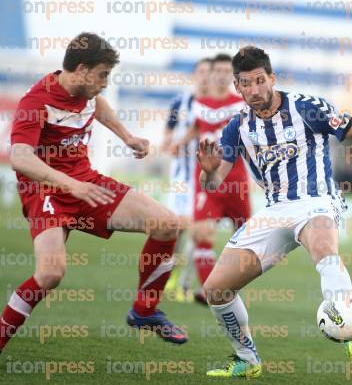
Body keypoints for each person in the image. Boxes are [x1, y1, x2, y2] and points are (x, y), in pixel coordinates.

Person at [197, 46, 352, 378]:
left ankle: (351, 329)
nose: (254, 90)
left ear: (272, 78)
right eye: (246, 84)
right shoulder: (237, 127)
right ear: (237, 87)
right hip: (276, 210)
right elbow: (214, 184)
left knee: (324, 248)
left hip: (317, 200)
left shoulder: (307, 107)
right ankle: (246, 360)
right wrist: (208, 172)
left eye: (260, 81)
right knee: (216, 289)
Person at [0, 32, 187, 354]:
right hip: (46, 190)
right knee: (50, 274)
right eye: (102, 75)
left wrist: (127, 137)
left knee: (167, 223)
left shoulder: (86, 92)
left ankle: (144, 310)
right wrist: (70, 184)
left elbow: (96, 105)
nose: (105, 83)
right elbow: (20, 156)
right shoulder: (36, 101)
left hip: (87, 182)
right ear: (83, 69)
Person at [171, 53, 249, 304]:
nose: (224, 75)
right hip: (206, 178)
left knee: (247, 238)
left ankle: (230, 286)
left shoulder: (242, 103)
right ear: (212, 73)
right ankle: (210, 290)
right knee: (201, 234)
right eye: (220, 71)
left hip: (236, 178)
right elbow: (196, 127)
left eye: (229, 72)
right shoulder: (198, 103)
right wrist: (180, 142)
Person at [162, 58, 212, 302]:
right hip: (180, 179)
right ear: (195, 75)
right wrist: (169, 144)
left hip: (202, 180)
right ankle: (167, 278)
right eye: (201, 71)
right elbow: (168, 133)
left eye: (209, 73)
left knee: (198, 232)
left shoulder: (216, 107)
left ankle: (184, 284)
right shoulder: (180, 102)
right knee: (174, 230)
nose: (205, 76)